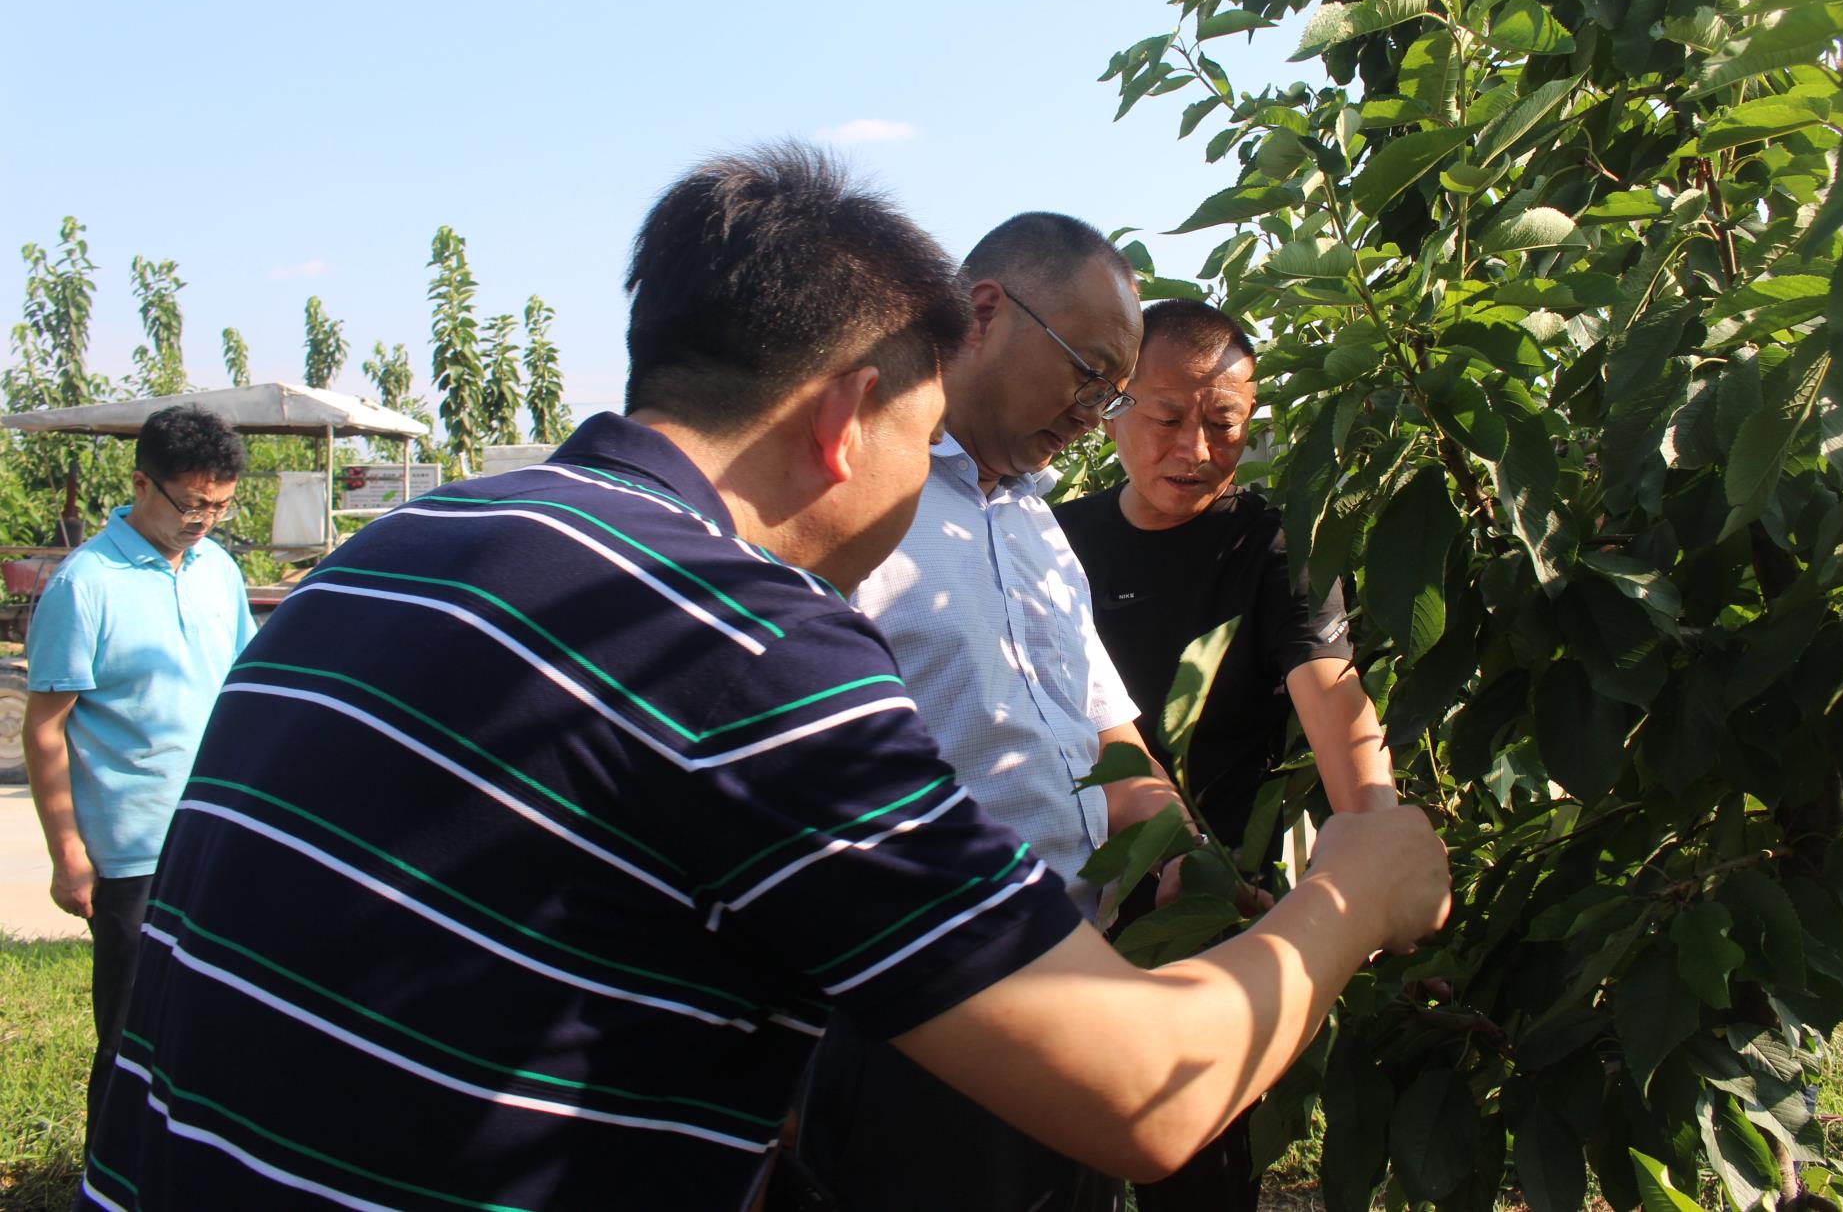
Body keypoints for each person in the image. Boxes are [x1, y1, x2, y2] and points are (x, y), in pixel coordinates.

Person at [84, 147, 1450, 1212]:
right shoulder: (743, 643)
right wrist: (1355, 888)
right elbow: (1146, 1091)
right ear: (850, 418)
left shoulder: (389, 557)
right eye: (926, 429)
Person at [799, 214, 1196, 1211]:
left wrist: (1190, 861)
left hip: (1074, 989)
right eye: (1086, 372)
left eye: (1112, 394)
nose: (1092, 412)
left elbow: (1106, 735)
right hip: (925, 1009)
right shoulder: (855, 494)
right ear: (983, 311)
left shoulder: (1034, 525)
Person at [1053, 300, 1398, 1210]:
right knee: (1056, 1155)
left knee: (1197, 1164)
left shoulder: (1273, 544)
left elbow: (1332, 697)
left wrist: (1380, 857)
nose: (1195, 449)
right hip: (1069, 888)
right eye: (1168, 417)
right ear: (1116, 407)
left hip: (1208, 899)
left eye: (1224, 422)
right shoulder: (1055, 542)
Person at [20, 405, 254, 1152]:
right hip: (131, 853)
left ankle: (190, 1165)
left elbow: (241, 687)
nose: (204, 521)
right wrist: (68, 853)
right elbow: (44, 727)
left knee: (215, 1013)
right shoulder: (85, 584)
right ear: (141, 484)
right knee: (129, 1030)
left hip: (213, 832)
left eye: (220, 505)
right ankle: (109, 1178)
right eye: (192, 504)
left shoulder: (218, 570)